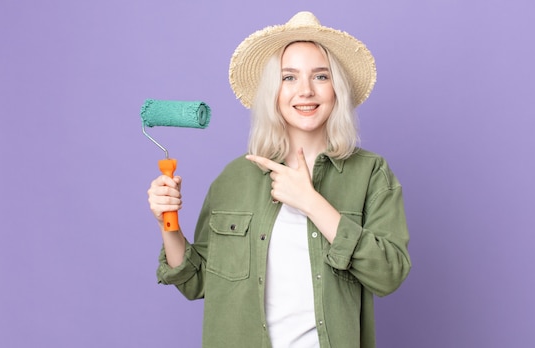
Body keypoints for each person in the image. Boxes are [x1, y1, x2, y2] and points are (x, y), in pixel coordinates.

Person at [147, 11, 411, 348]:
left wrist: (312, 202)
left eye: (320, 76)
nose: (305, 91)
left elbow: (388, 275)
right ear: (274, 90)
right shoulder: (234, 179)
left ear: (336, 89)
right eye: (289, 77)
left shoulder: (371, 174)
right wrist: (167, 224)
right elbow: (195, 282)